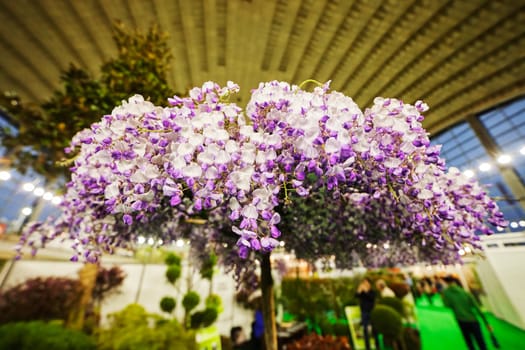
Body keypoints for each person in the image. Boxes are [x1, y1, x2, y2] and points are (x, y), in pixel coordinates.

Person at [441, 275, 491, 350]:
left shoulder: (446, 293)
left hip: (461, 320)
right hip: (473, 320)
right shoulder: (465, 292)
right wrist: (486, 323)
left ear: (445, 283)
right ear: (455, 282)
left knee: (469, 342)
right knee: (480, 341)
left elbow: (447, 305)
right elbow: (477, 308)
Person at [356, 277, 377, 350]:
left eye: (366, 282)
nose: (364, 284)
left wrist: (366, 291)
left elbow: (371, 298)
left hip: (372, 311)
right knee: (365, 330)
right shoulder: (362, 292)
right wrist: (359, 290)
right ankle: (367, 347)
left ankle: (377, 345)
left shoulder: (372, 291)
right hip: (364, 312)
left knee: (374, 330)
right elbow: (356, 295)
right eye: (363, 282)